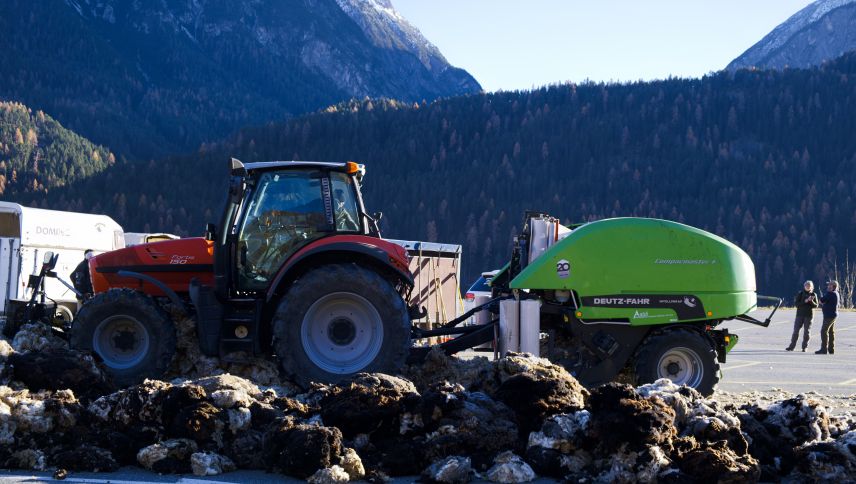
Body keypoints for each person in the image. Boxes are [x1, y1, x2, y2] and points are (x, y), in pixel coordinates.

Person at [786, 280, 819, 352]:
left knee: (807, 332)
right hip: (800, 315)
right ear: (804, 286)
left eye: (809, 285)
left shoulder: (814, 294)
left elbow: (816, 306)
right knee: (796, 331)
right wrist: (805, 301)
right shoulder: (800, 294)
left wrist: (811, 301)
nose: (807, 287)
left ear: (812, 287)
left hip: (809, 315)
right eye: (806, 285)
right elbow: (797, 304)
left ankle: (805, 347)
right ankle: (792, 346)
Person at [816, 280, 839, 354]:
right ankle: (831, 349)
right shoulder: (836, 293)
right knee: (831, 332)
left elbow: (821, 300)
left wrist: (822, 303)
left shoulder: (830, 293)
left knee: (824, 331)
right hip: (833, 314)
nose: (828, 286)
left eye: (829, 285)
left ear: (833, 286)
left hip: (829, 316)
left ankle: (824, 349)